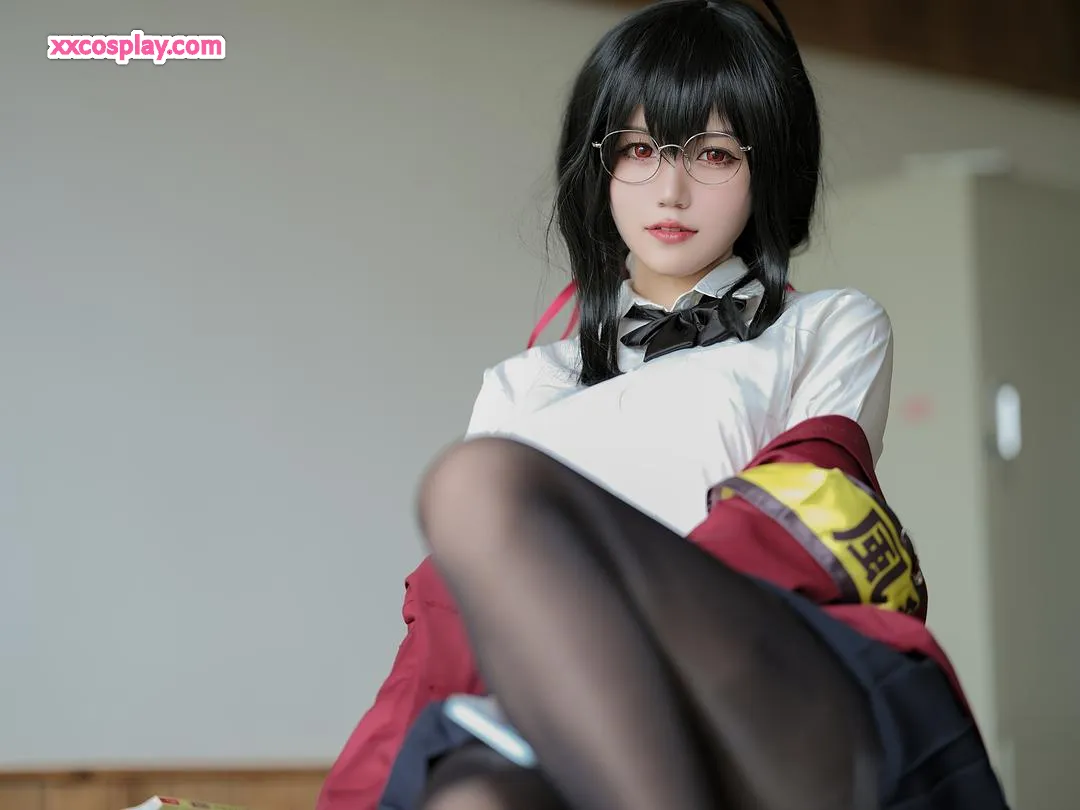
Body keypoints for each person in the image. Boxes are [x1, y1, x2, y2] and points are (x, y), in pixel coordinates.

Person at [316, 1, 1010, 808]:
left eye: (714, 154)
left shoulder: (825, 327)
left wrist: (610, 627)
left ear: (766, 169)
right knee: (469, 797)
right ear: (600, 165)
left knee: (475, 483)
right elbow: (457, 621)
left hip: (762, 682)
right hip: (580, 715)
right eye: (639, 150)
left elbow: (808, 522)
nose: (671, 191)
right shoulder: (520, 386)